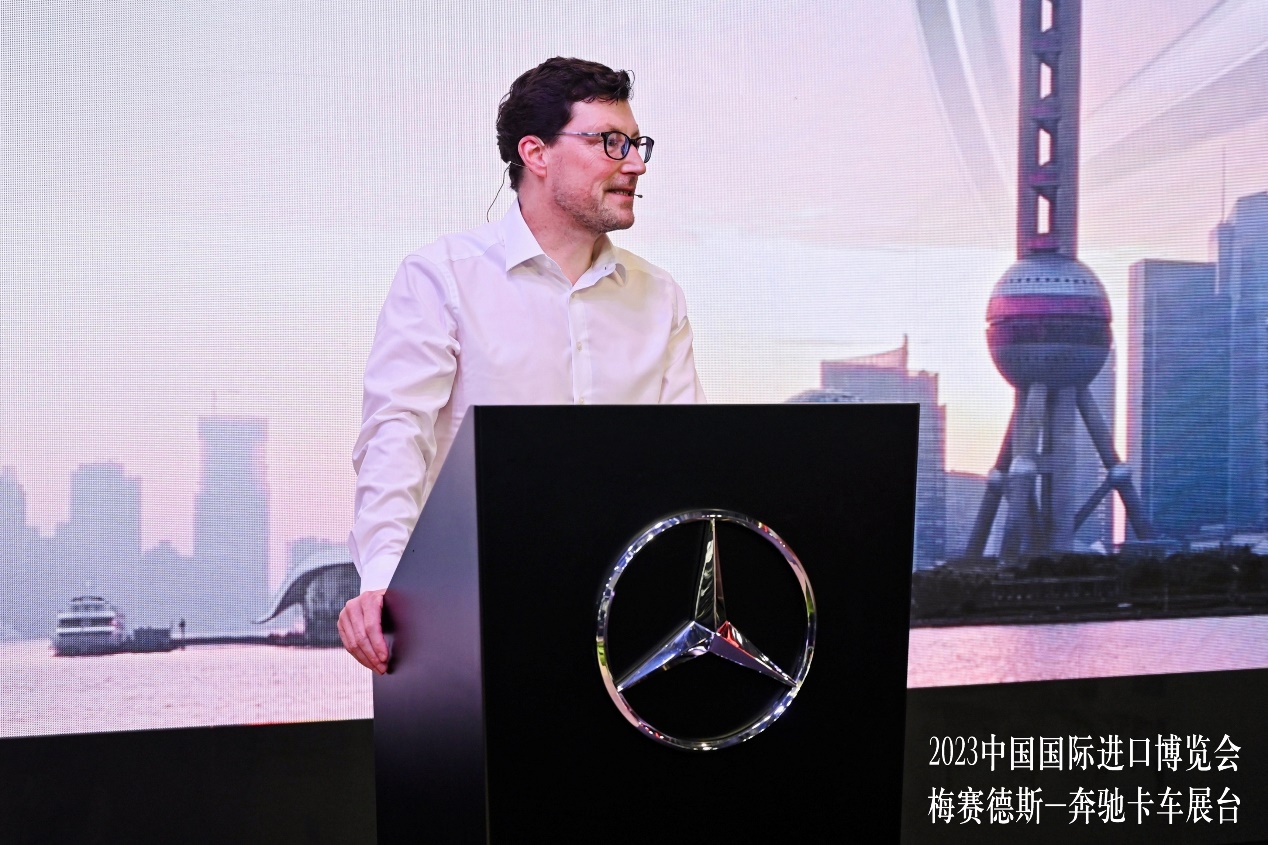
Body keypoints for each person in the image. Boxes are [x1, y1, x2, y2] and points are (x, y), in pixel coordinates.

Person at [338, 58, 705, 672]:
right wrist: (384, 580)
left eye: (637, 144)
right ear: (536, 153)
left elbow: (687, 458)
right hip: (476, 612)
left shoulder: (659, 295)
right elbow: (396, 435)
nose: (635, 164)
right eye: (610, 142)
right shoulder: (442, 277)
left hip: (635, 619)